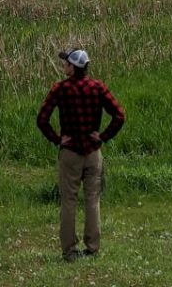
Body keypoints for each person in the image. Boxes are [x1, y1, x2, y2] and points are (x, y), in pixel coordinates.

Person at [36, 47, 127, 262]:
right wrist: (103, 136)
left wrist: (57, 139)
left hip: (70, 152)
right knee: (92, 200)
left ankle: (69, 250)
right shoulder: (97, 87)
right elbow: (119, 115)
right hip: (93, 151)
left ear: (72, 67)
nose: (63, 65)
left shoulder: (60, 89)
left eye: (65, 63)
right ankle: (93, 247)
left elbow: (42, 119)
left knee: (68, 201)